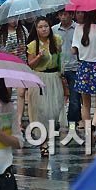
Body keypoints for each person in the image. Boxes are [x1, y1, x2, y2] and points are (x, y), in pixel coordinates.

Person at [26, 17, 64, 157]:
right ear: (36, 29)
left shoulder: (57, 40)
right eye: (41, 27)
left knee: (54, 110)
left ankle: (49, 135)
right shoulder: (32, 45)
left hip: (54, 78)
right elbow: (30, 65)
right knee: (40, 111)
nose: (44, 29)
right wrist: (38, 57)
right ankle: (43, 142)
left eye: (46, 26)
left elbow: (60, 58)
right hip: (39, 78)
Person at [71, 10, 96, 136]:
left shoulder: (78, 29)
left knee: (85, 104)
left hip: (84, 67)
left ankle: (88, 129)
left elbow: (73, 50)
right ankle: (93, 125)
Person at [0, 20, 28, 129]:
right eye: (11, 18)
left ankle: (18, 120)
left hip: (21, 65)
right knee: (7, 92)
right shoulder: (0, 32)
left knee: (21, 92)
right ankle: (7, 117)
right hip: (6, 66)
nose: (14, 21)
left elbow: (27, 45)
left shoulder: (23, 30)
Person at [52, 10, 82, 130]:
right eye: (61, 15)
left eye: (65, 14)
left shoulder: (78, 28)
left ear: (71, 15)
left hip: (75, 66)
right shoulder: (54, 30)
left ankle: (73, 120)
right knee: (58, 96)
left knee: (75, 97)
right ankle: (57, 119)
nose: (63, 17)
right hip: (59, 67)